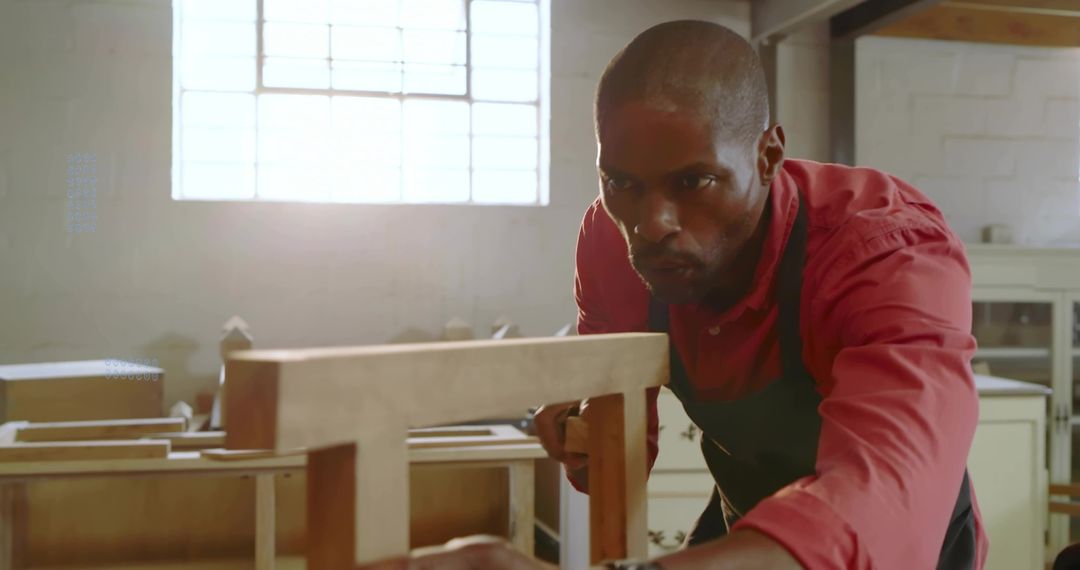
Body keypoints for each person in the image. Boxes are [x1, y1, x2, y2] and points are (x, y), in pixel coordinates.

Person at [368, 19, 987, 570]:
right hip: (748, 517)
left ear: (768, 155)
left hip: (898, 543)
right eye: (622, 183)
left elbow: (885, 497)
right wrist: (588, 428)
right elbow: (618, 454)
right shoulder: (611, 243)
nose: (650, 225)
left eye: (693, 182)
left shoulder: (885, 253)